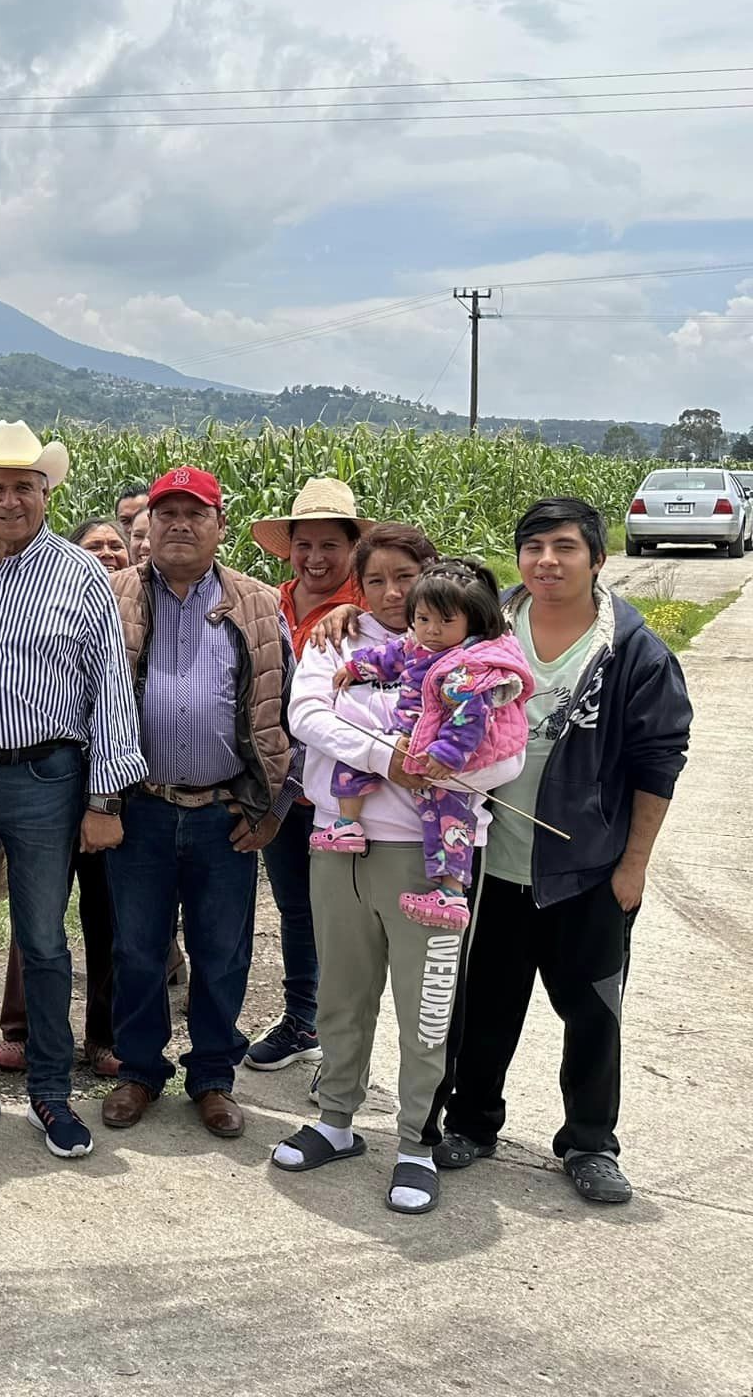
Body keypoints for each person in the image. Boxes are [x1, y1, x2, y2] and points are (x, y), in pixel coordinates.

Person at [439, 498, 693, 1206]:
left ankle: (589, 1142)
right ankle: (470, 1120)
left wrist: (633, 865)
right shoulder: (485, 629)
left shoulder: (632, 650)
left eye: (564, 547)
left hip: (586, 872)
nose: (547, 560)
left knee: (592, 1014)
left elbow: (658, 760)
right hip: (490, 863)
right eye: (533, 547)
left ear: (597, 559)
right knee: (484, 1005)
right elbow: (406, 638)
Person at [0, 420, 145, 1163]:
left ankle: (48, 1088)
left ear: (46, 492)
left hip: (45, 778)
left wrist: (104, 801)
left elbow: (111, 689)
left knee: (43, 941)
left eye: (23, 488)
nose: (9, 501)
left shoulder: (79, 574)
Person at [275, 523, 526, 1215]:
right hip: (343, 847)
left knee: (428, 1010)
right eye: (376, 579)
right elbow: (308, 716)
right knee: (343, 997)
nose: (391, 593)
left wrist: (453, 762)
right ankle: (336, 1120)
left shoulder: (481, 660)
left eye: (405, 579)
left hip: (430, 861)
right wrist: (390, 758)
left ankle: (415, 1141)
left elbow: (506, 752)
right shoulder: (337, 642)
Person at [101, 467, 292, 1143]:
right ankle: (141, 1070)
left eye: (195, 513)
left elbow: (290, 712)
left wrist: (271, 807)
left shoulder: (262, 605)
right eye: (166, 513)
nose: (179, 524)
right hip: (142, 808)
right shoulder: (114, 596)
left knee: (221, 952)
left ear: (221, 525)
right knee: (140, 950)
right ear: (146, 525)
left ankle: (212, 1076)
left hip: (223, 813)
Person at [321, 560, 531, 931]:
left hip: (440, 751)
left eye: (446, 622)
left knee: (449, 815)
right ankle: (348, 824)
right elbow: (388, 657)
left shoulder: (467, 668)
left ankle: (451, 892)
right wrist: (357, 668)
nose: (432, 630)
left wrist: (446, 755)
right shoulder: (416, 645)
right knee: (355, 756)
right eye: (422, 619)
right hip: (405, 735)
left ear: (472, 621)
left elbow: (471, 718)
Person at [0, 516, 130, 1080]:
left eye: (114, 545)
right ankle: (22, 1031)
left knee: (108, 914)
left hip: (116, 788)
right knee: (36, 914)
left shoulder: (144, 606)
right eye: (92, 547)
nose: (105, 554)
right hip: (48, 780)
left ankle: (105, 1034)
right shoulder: (52, 604)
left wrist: (108, 798)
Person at [243, 478, 372, 1073]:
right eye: (305, 545)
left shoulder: (371, 612)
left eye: (331, 546)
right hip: (280, 787)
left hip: (347, 793)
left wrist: (355, 611)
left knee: (347, 916)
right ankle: (302, 1018)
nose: (316, 558)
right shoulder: (269, 603)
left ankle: (345, 1043)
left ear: (354, 548)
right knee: (296, 907)